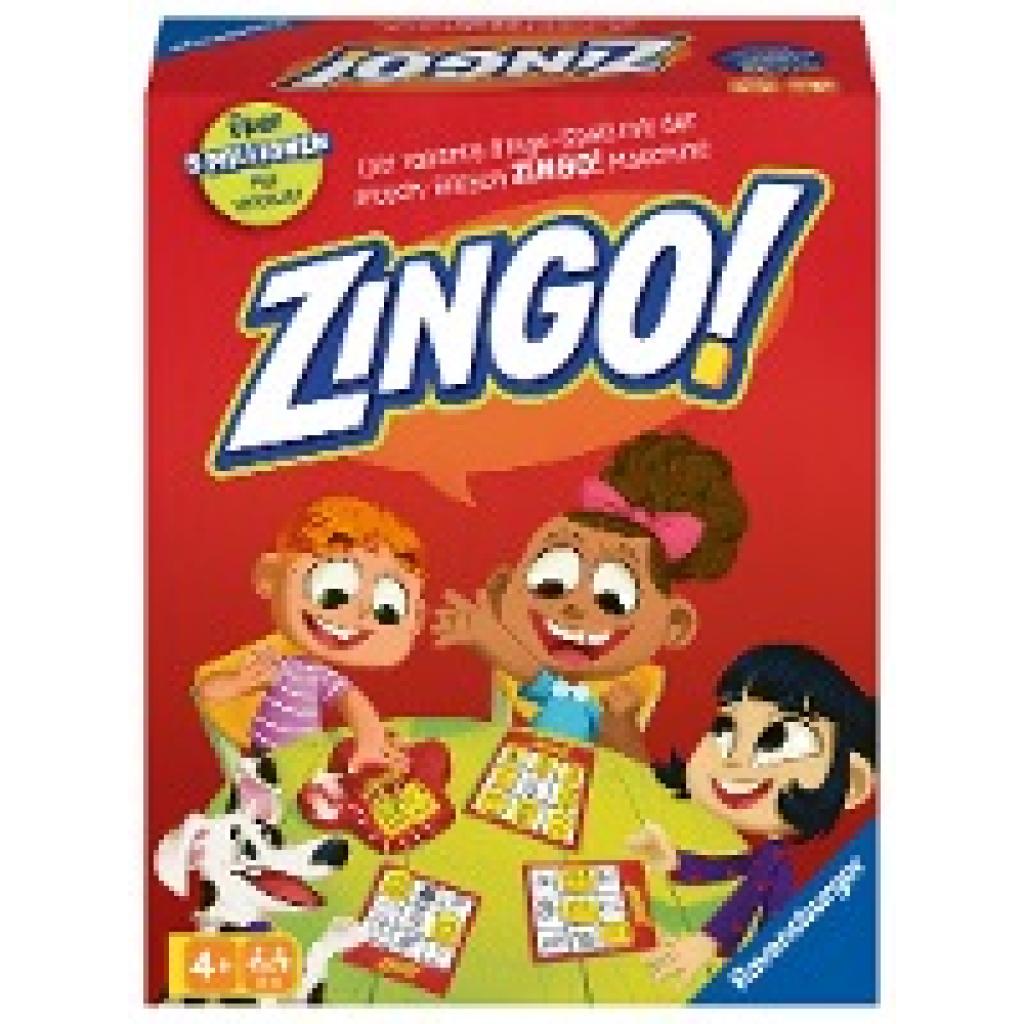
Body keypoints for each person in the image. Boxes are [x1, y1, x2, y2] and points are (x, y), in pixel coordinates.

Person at [433, 430, 747, 757]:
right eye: (552, 582)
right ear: (502, 590)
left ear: (675, 625)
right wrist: (484, 636)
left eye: (613, 599)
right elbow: (528, 673)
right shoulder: (533, 681)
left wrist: (621, 723)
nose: (575, 606)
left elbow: (631, 771)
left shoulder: (624, 693)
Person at [627, 644, 877, 983]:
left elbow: (749, 901)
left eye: (779, 740)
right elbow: (740, 868)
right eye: (726, 730)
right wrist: (676, 861)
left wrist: (708, 942)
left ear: (852, 781)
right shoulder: (773, 853)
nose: (736, 759)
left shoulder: (807, 869)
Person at [194, 496, 425, 773]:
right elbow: (205, 691)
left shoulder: (319, 674)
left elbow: (353, 703)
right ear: (269, 576)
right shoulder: (272, 660)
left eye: (387, 608)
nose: (361, 612)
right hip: (265, 763)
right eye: (334, 591)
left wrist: (370, 743)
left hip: (309, 761)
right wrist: (240, 681)